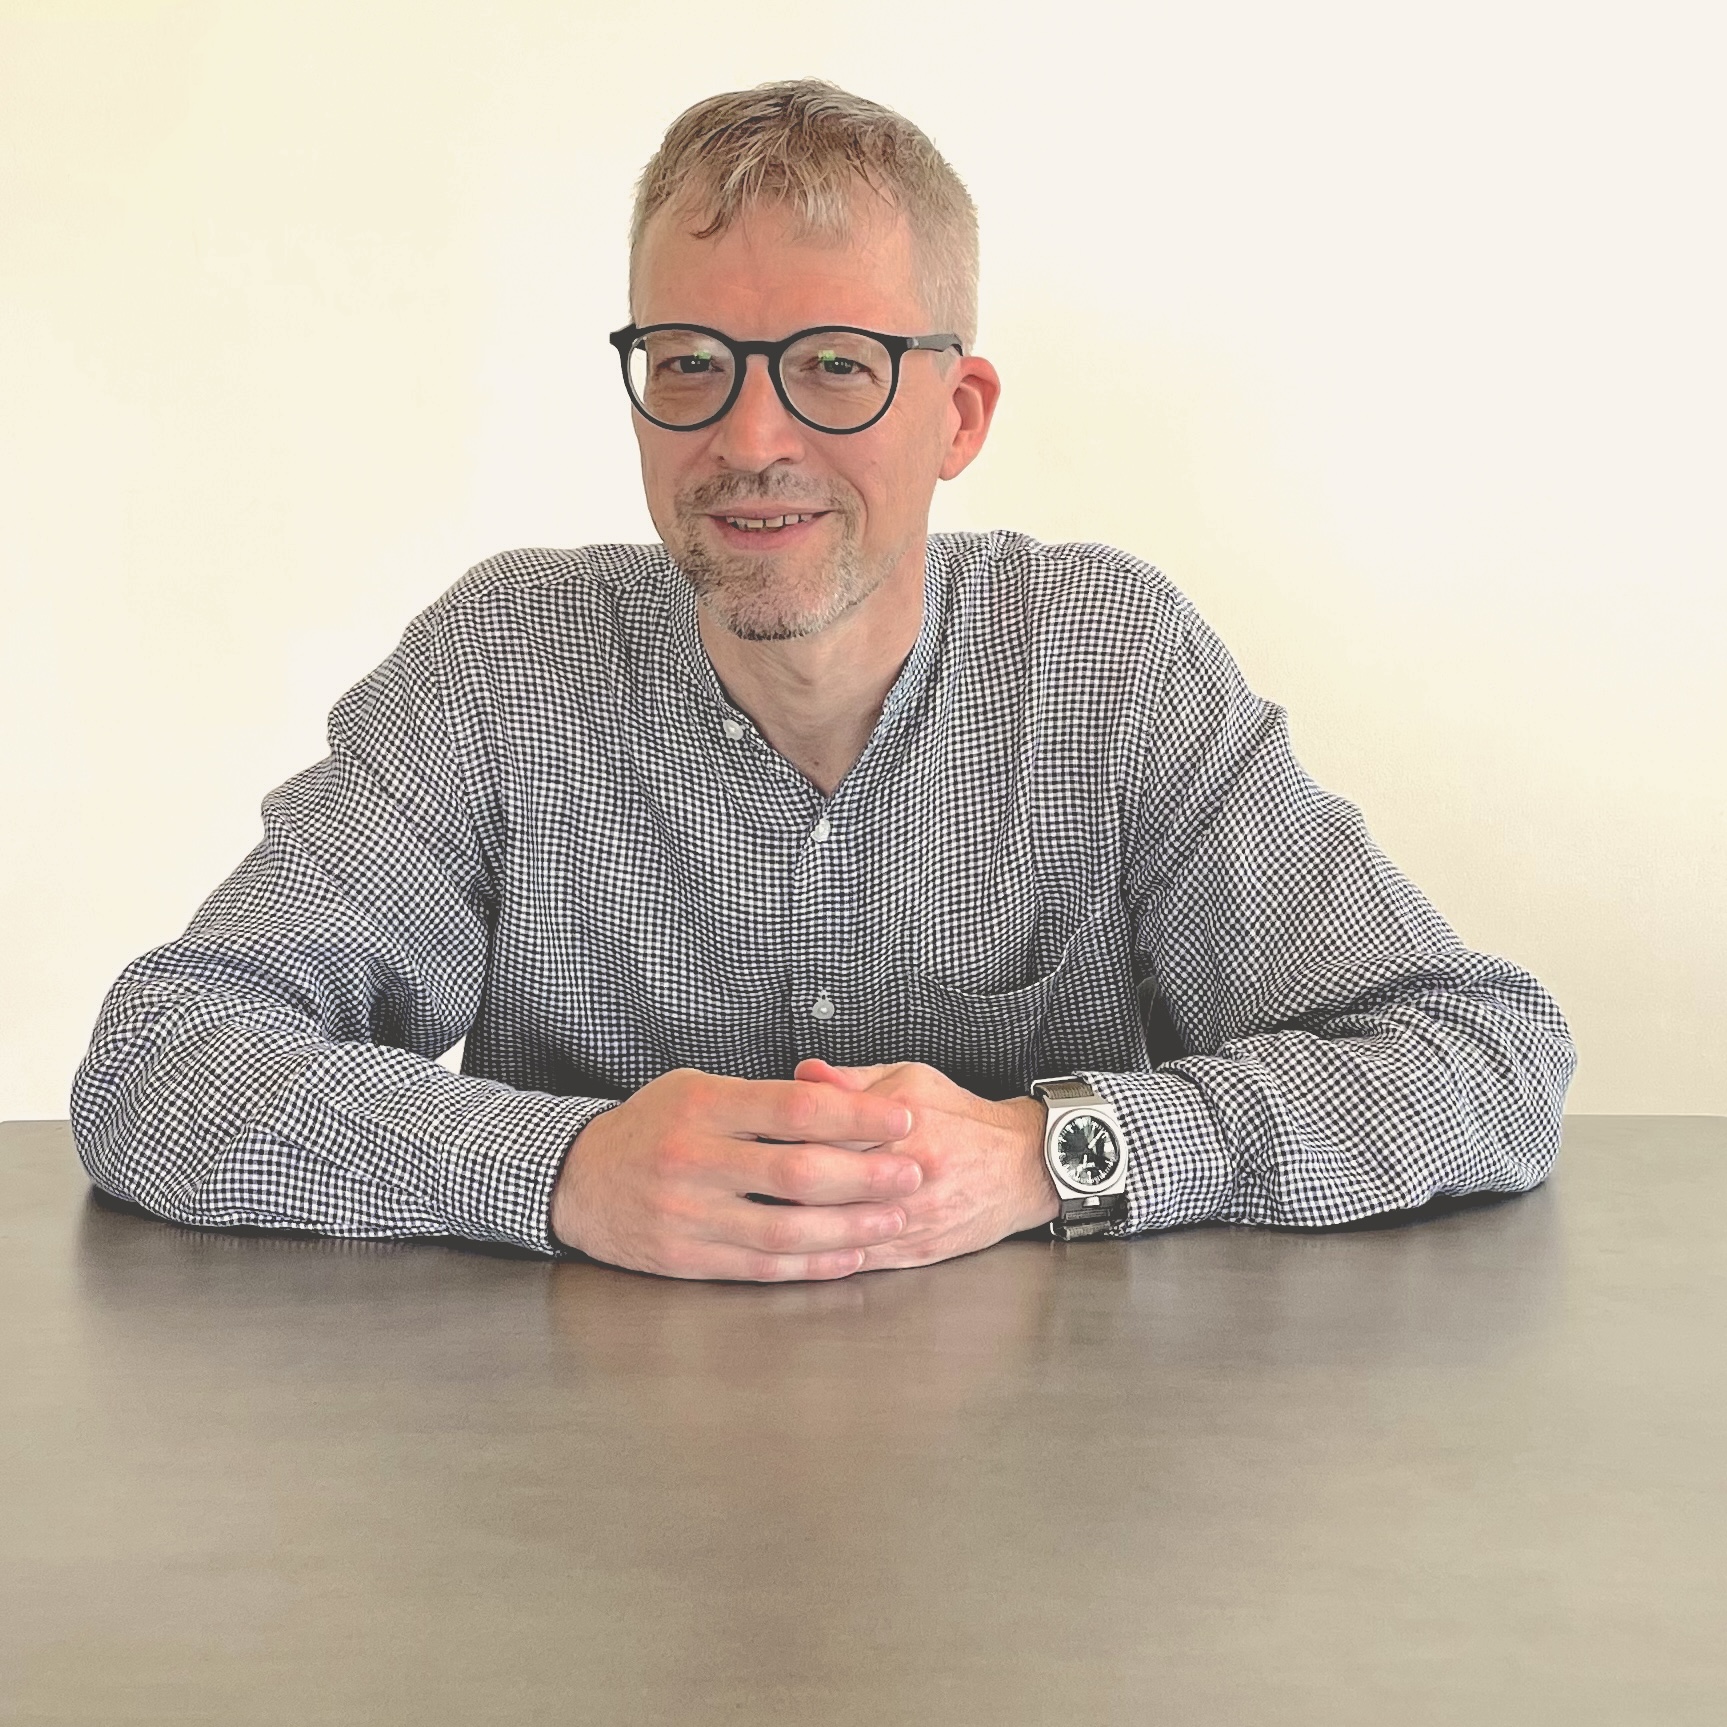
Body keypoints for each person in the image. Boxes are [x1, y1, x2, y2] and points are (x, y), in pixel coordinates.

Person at [71, 80, 1576, 1281]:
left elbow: (1482, 1057)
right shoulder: (499, 667)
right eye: (690, 364)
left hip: (1055, 1511)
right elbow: (160, 1061)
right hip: (563, 1514)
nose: (747, 438)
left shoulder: (1109, 663)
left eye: (835, 365)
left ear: (958, 410)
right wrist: (561, 1171)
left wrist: (1047, 1156)